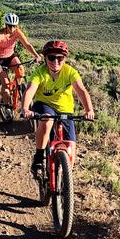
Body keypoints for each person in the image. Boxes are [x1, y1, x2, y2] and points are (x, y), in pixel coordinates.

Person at [22, 40, 96, 174]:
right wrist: (26, 109)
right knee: (47, 120)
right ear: (45, 58)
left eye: (60, 58)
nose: (55, 61)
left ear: (65, 59)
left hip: (65, 109)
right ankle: (38, 157)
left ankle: (65, 182)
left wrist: (89, 110)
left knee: (71, 147)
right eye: (51, 57)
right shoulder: (40, 72)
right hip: (44, 105)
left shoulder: (70, 72)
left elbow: (81, 91)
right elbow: (30, 90)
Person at [0, 13, 42, 104]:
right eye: (10, 26)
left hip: (10, 56)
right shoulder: (1, 34)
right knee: (6, 87)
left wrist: (36, 55)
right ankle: (6, 106)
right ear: (6, 25)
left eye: (14, 26)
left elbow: (27, 45)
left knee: (21, 70)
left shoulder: (17, 32)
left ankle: (16, 89)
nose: (12, 29)